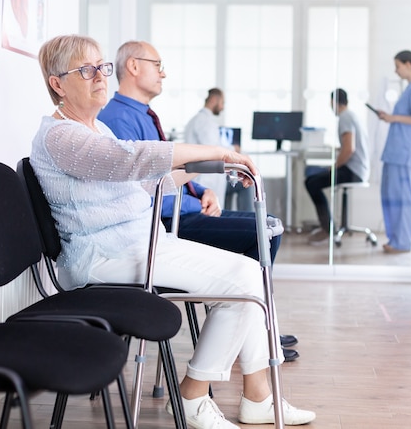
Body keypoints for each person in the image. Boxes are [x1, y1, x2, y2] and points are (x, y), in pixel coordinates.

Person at [31, 34, 315, 428]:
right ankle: (192, 398)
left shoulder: (96, 129)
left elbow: (144, 185)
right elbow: (130, 160)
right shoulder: (60, 135)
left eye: (101, 67)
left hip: (139, 245)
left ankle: (259, 397)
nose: (100, 76)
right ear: (57, 83)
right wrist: (216, 151)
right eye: (86, 70)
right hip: (103, 257)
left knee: (251, 274)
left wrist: (215, 168)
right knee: (246, 277)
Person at [98, 41, 300, 361]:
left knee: (269, 226)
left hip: (184, 209)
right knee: (263, 228)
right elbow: (140, 189)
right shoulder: (118, 120)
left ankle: (249, 331)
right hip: (165, 221)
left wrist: (202, 190)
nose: (164, 73)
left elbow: (167, 169)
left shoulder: (143, 116)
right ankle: (250, 336)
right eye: (157, 65)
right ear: (134, 66)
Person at [376, 50, 411, 254]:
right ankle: (395, 239)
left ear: (408, 64)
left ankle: (402, 242)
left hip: (405, 154)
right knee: (392, 198)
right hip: (396, 153)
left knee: (403, 199)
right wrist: (390, 117)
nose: (396, 70)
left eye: (398, 66)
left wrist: (393, 118)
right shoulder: (410, 90)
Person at [304, 88, 370, 246]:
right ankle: (329, 227)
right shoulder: (352, 116)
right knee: (313, 177)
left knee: (311, 182)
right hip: (359, 169)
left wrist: (333, 167)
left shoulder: (345, 118)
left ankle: (328, 229)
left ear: (334, 102)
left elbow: (349, 149)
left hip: (353, 171)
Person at [183, 87, 229, 208]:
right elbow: (215, 150)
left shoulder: (196, 120)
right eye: (222, 102)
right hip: (205, 178)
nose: (223, 107)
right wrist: (234, 151)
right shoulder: (205, 121)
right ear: (214, 99)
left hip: (201, 177)